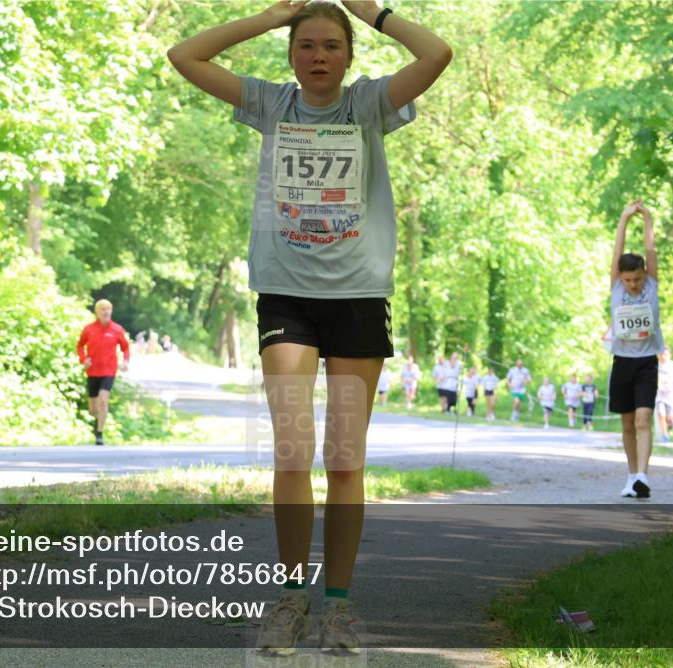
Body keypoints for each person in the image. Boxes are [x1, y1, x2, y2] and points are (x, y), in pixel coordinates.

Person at [168, 0, 452, 656]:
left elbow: (437, 54)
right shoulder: (271, 104)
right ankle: (291, 598)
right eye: (305, 45)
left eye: (331, 45)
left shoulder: (369, 105)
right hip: (287, 298)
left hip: (357, 297)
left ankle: (339, 608)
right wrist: (273, 16)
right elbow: (184, 56)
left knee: (345, 460)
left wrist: (373, 12)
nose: (318, 56)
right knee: (293, 451)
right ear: (291, 54)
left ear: (349, 56)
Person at [608, 200, 664, 499]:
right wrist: (624, 218)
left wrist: (648, 218)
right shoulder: (616, 286)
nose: (632, 285)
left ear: (644, 274)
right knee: (628, 423)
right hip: (622, 361)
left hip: (646, 362)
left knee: (643, 419)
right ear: (621, 278)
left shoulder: (651, 284)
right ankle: (631, 476)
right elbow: (617, 252)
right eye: (628, 280)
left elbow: (651, 250)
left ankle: (643, 475)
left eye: (637, 279)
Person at [76, 299, 131, 445]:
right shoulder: (89, 329)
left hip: (108, 370)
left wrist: (125, 361)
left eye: (108, 309)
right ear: (97, 312)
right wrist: (83, 359)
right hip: (93, 371)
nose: (106, 312)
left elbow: (125, 347)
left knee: (103, 400)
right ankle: (97, 422)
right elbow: (80, 346)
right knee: (93, 408)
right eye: (103, 309)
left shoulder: (117, 329)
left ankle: (99, 434)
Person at [654, 346, 673, 443]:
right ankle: (665, 436)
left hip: (671, 396)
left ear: (670, 355)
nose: (663, 356)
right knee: (661, 413)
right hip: (659, 395)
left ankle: (670, 422)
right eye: (661, 354)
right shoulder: (654, 365)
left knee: (669, 417)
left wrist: (672, 381)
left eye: (665, 354)